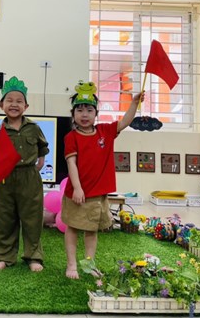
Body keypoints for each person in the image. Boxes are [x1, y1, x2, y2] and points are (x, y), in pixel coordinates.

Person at [62, 80, 144, 279]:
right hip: (78, 194)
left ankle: (89, 264)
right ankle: (71, 265)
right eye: (79, 110)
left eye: (89, 110)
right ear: (73, 114)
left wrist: (134, 104)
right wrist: (78, 188)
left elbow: (124, 122)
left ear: (96, 113)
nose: (84, 114)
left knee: (92, 231)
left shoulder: (105, 132)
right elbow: (71, 164)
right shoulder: (71, 137)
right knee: (73, 228)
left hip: (98, 195)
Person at [0, 76, 49, 272]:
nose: (14, 104)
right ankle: (5, 256)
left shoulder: (33, 128)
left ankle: (33, 257)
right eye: (9, 100)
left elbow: (43, 146)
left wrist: (40, 162)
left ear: (26, 106)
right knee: (4, 218)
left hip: (29, 177)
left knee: (32, 218)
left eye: (19, 101)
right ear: (1, 105)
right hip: (5, 179)